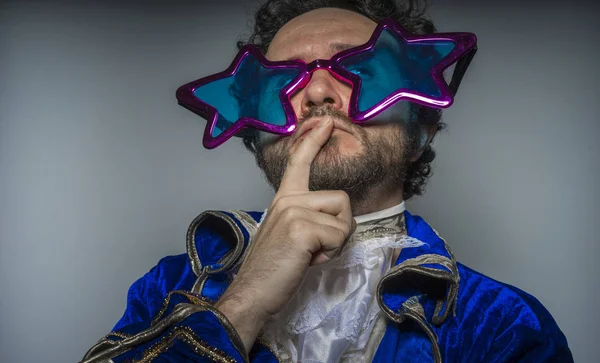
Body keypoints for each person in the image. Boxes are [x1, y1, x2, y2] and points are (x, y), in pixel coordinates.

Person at [81, 0, 572, 362]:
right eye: (282, 82)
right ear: (255, 139)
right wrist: (243, 302)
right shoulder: (167, 288)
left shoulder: (505, 325)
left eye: (362, 70)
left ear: (420, 131)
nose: (316, 91)